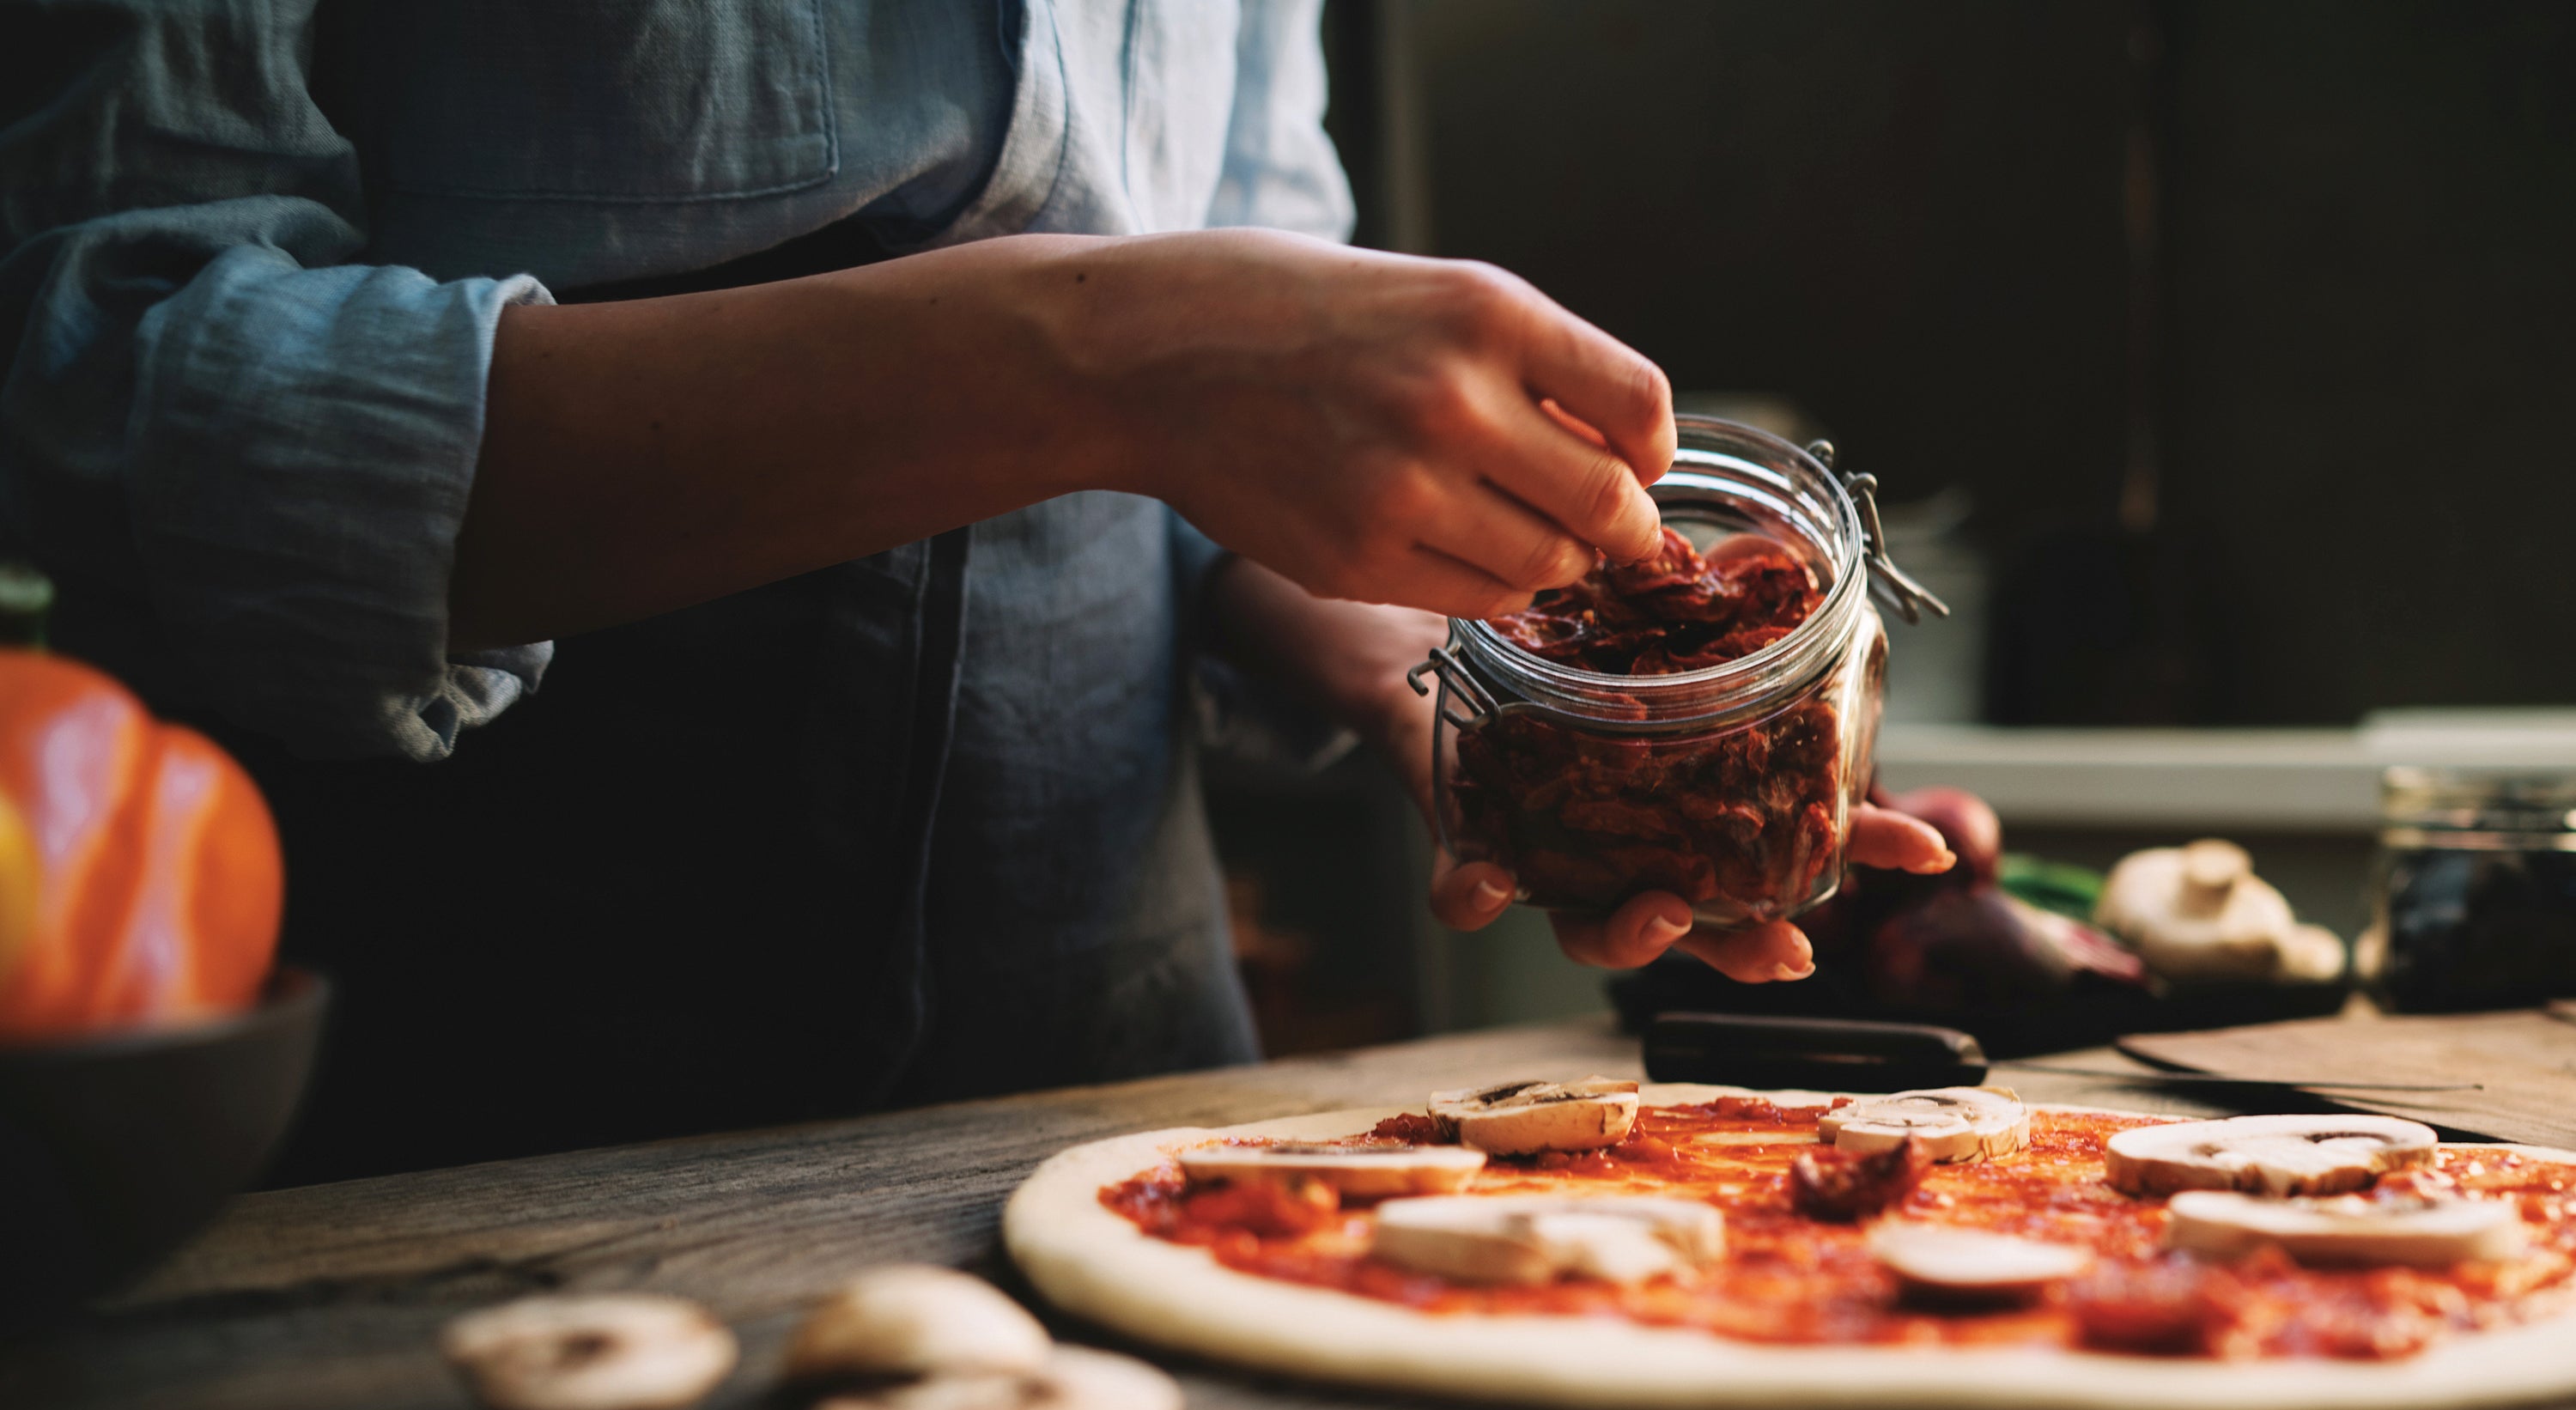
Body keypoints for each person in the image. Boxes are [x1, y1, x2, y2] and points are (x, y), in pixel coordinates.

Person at [0, 0, 1948, 1178]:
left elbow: (1239, 360)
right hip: (473, 1026)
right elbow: (104, 379)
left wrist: (1469, 690)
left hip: (1127, 1035)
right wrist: (1104, 360)